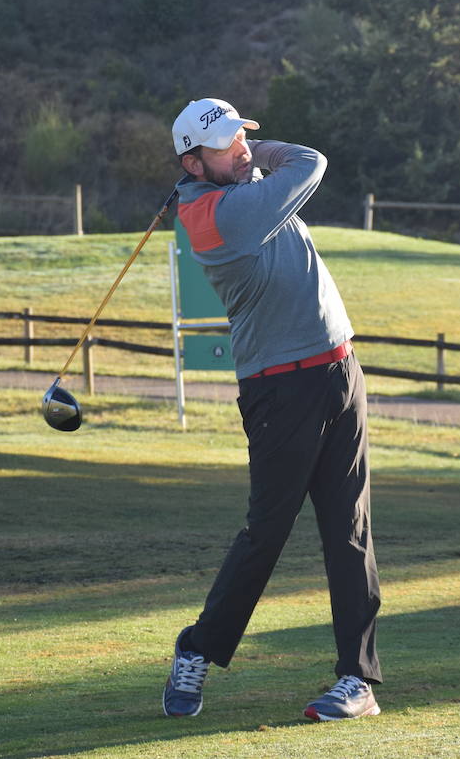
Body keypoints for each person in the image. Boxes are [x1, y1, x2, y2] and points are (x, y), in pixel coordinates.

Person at [162, 98, 382, 722]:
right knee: (267, 533)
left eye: (243, 137)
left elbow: (277, 167)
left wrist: (239, 156)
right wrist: (256, 158)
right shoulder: (216, 218)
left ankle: (356, 680)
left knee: (349, 531)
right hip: (280, 390)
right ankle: (197, 650)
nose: (241, 149)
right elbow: (311, 161)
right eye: (226, 143)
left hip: (339, 371)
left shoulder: (242, 188)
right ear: (192, 163)